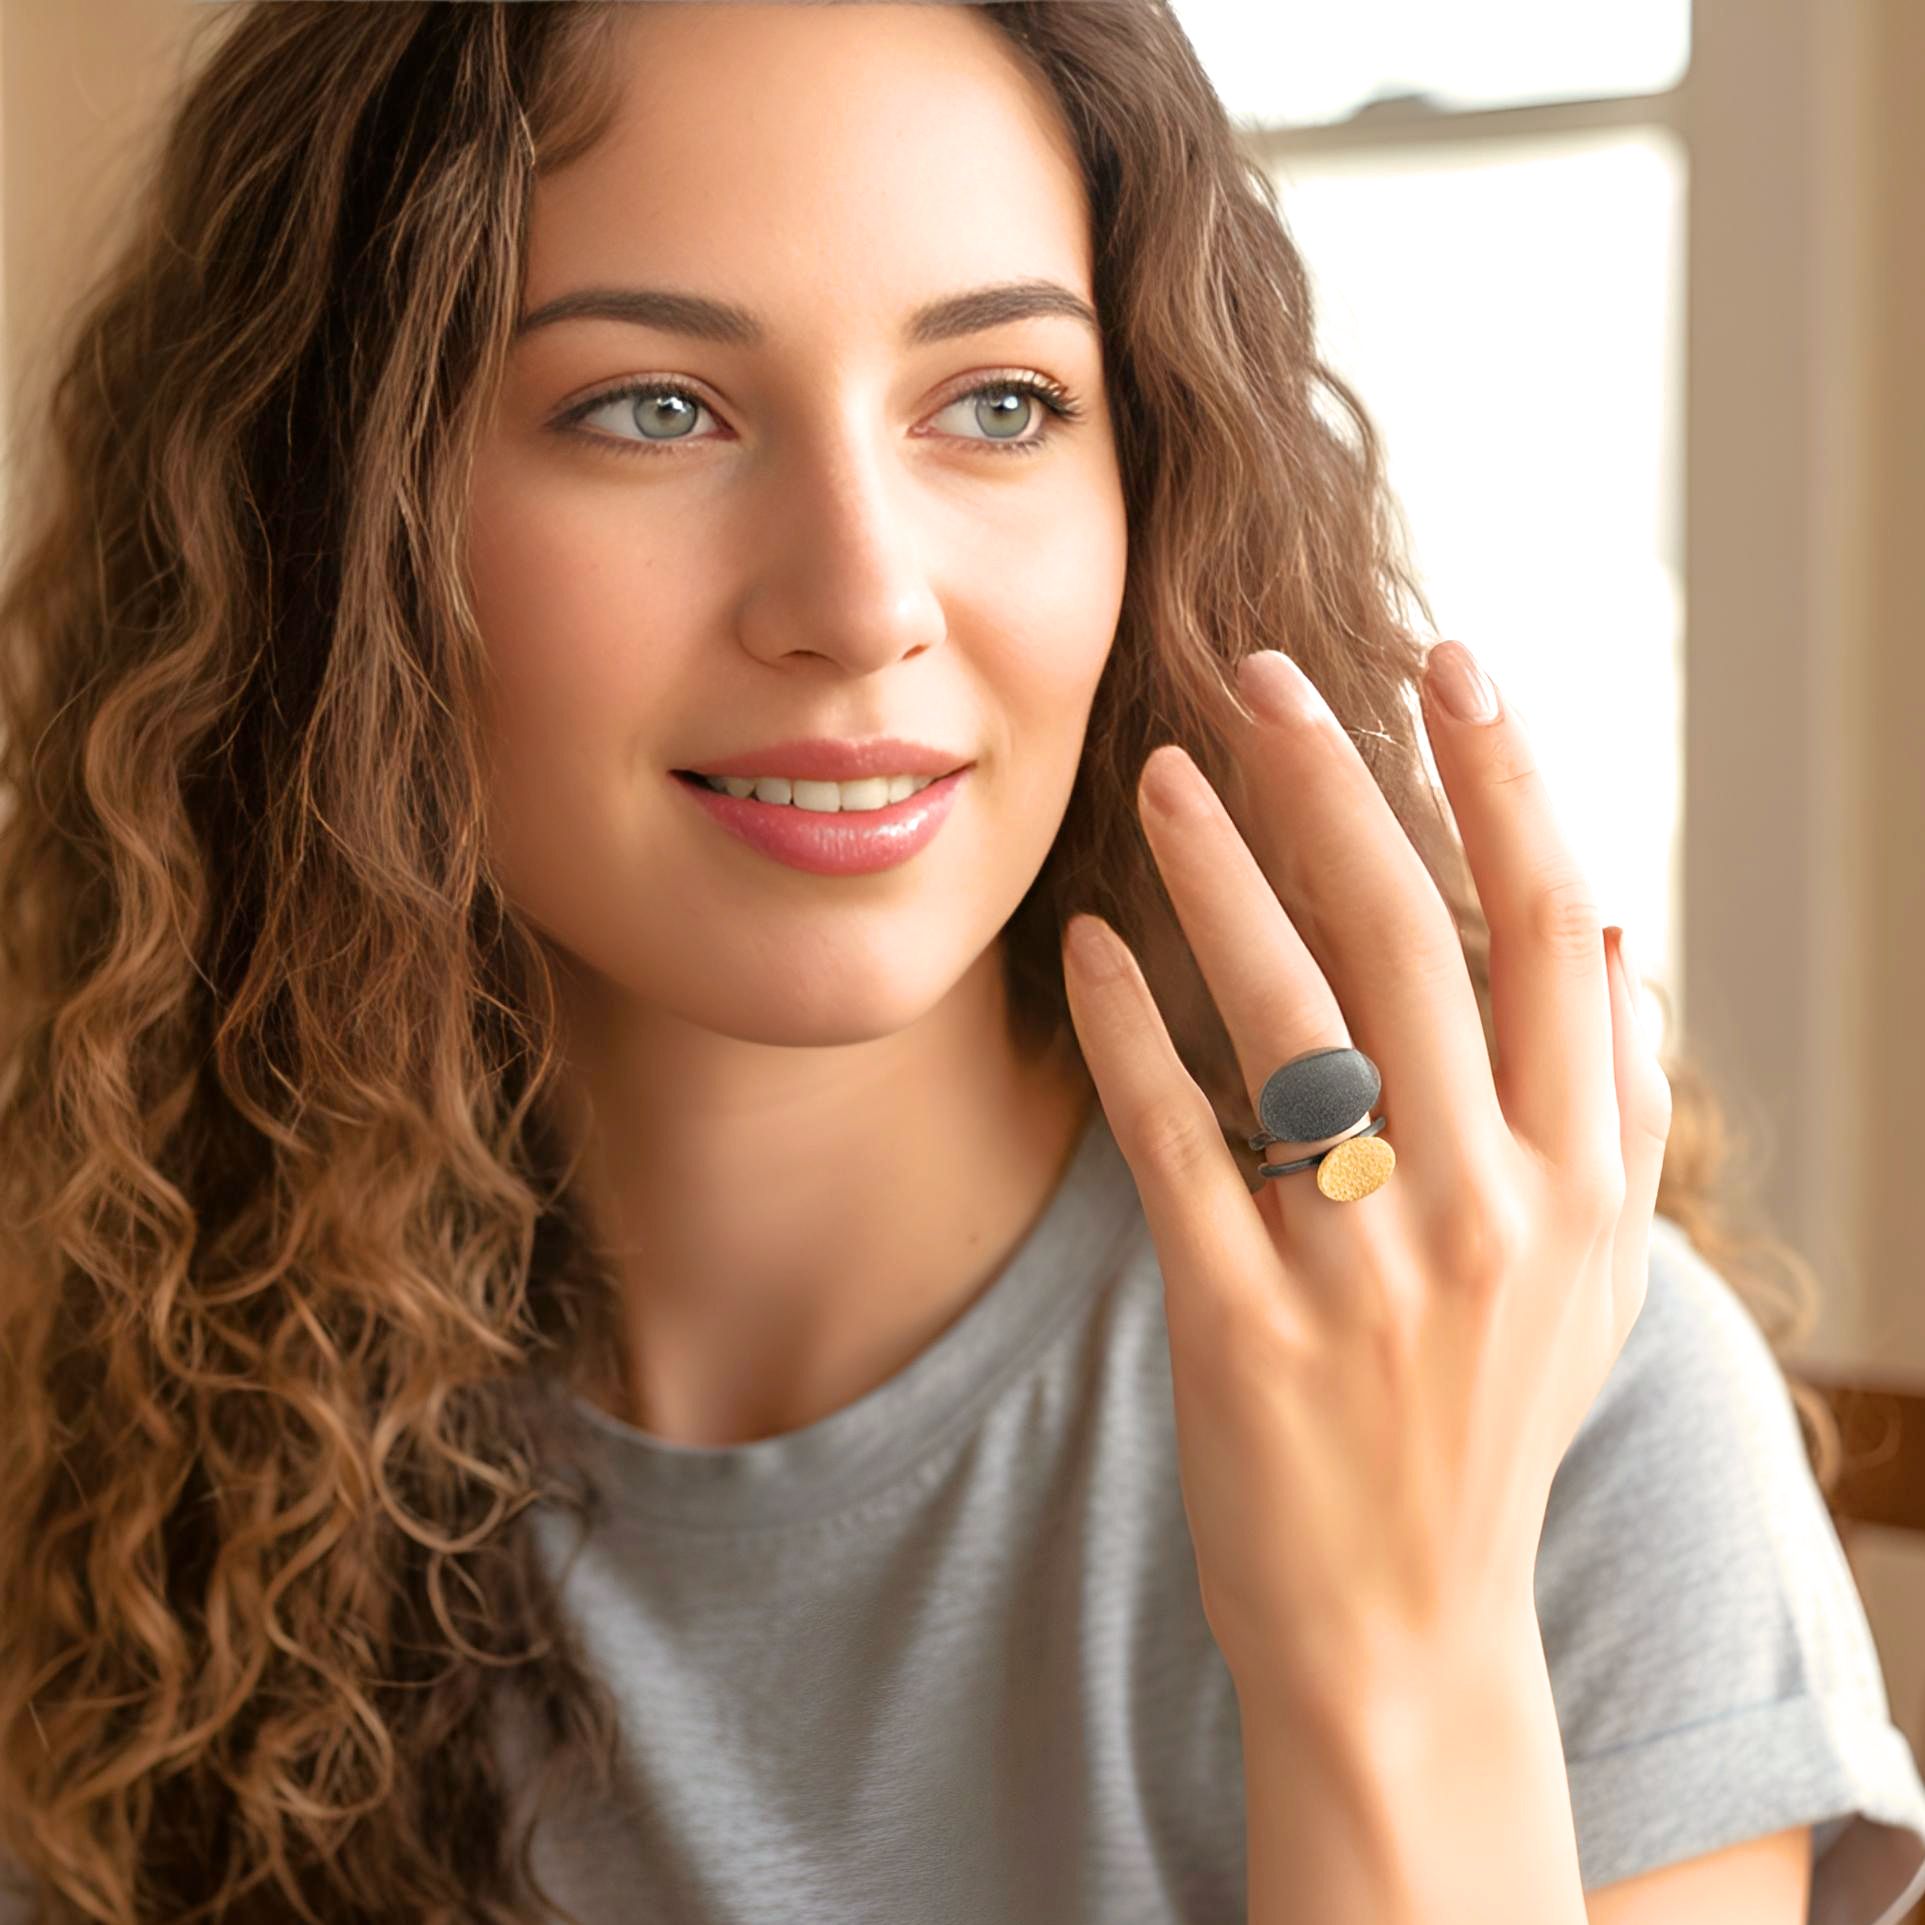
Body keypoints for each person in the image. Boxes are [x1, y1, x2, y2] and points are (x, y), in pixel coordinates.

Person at [0, 4, 1920, 1921]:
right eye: (652, 405)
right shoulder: (99, 1402)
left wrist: (1392, 1649)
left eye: (998, 401)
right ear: (329, 516)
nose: (859, 600)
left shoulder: (1540, 1397)